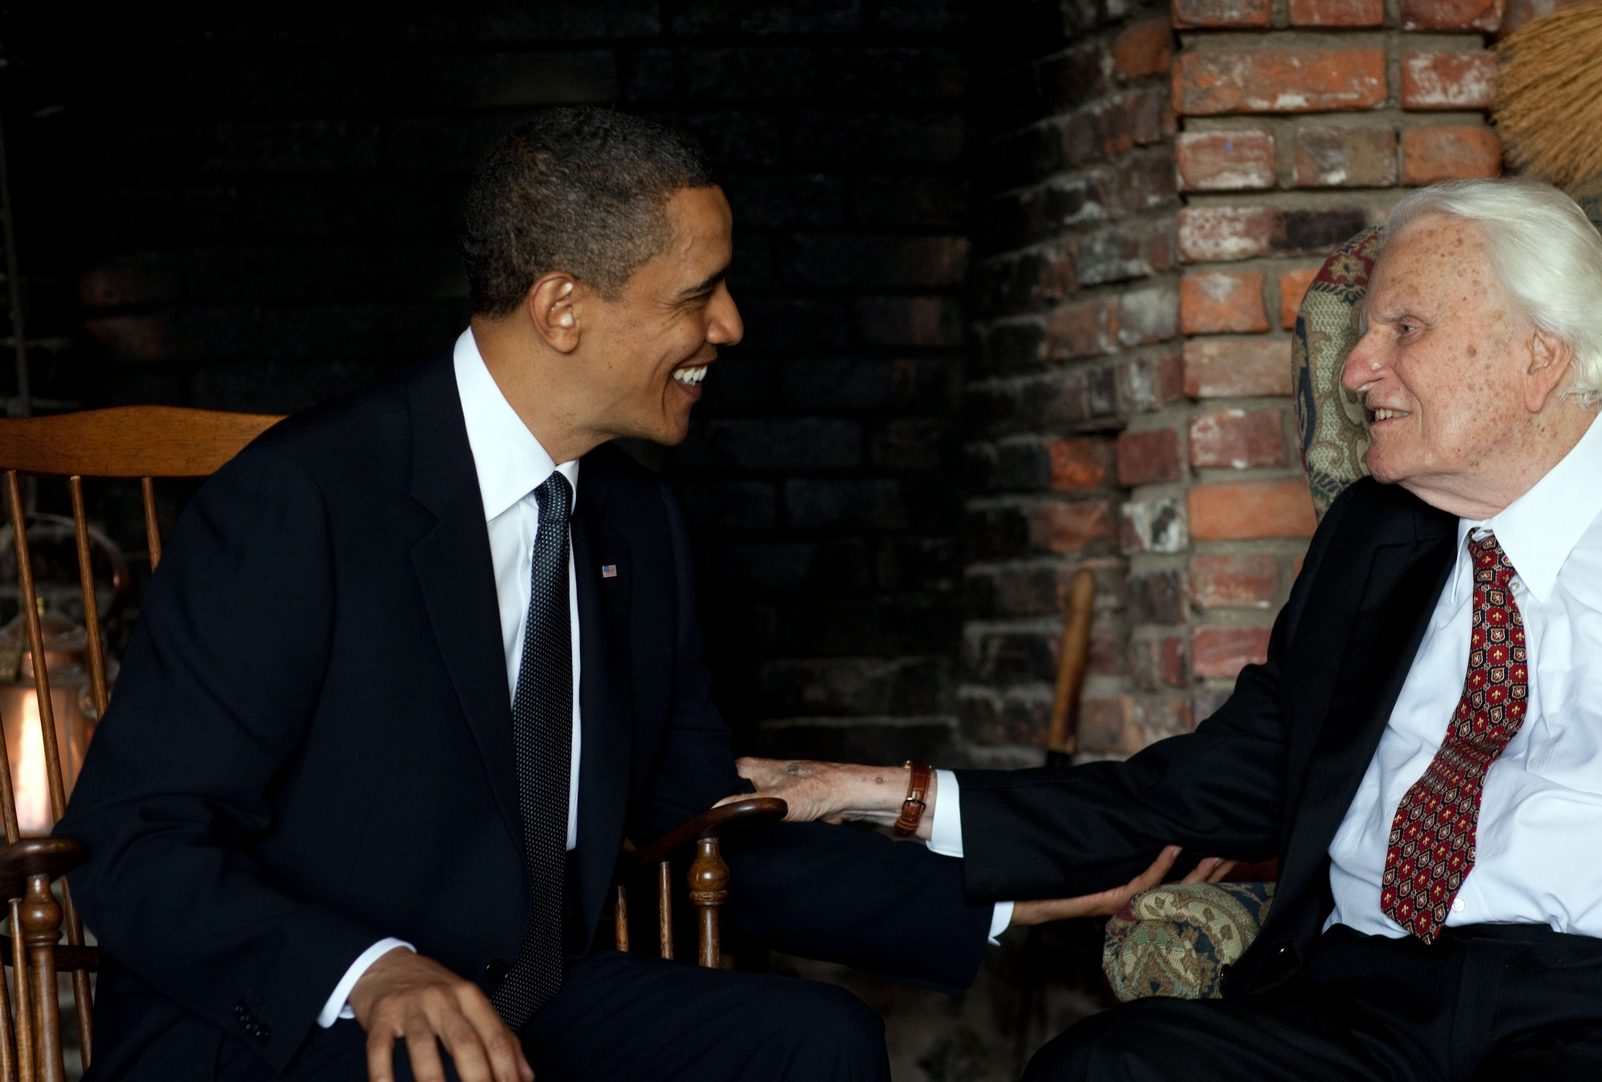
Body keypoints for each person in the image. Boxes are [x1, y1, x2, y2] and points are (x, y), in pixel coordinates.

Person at [731, 178, 1602, 1082]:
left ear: (1539, 357)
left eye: (1402, 328)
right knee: (1104, 1067)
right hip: (1353, 1004)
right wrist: (885, 793)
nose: (1357, 368)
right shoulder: (1377, 539)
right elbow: (1195, 790)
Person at [55, 107, 994, 1082]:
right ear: (563, 309)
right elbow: (135, 839)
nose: (731, 326)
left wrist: (1005, 890)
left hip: (531, 1000)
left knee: (815, 1039)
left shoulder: (638, 523)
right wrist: (371, 972)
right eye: (699, 294)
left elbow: (709, 825)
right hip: (290, 1016)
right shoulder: (301, 498)